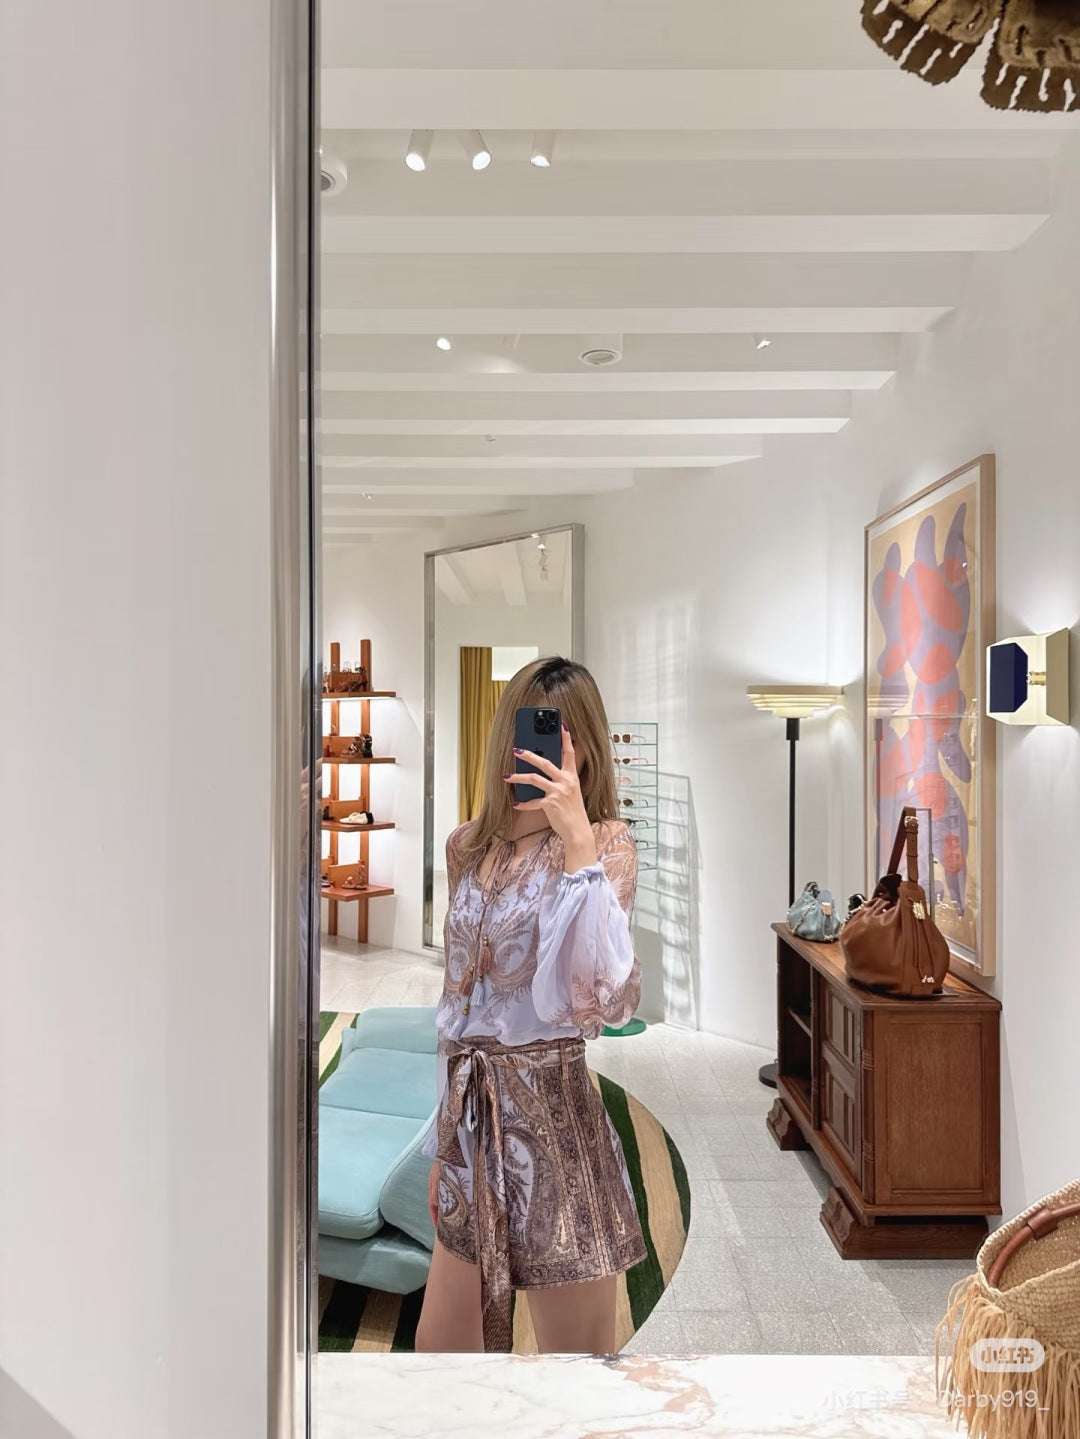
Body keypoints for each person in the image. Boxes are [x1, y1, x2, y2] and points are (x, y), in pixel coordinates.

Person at [414, 656, 648, 1354]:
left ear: (586, 749)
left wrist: (576, 839)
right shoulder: (466, 845)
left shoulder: (607, 846)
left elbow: (600, 999)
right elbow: (455, 1009)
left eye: (559, 739)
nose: (538, 754)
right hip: (472, 1128)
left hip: (556, 1131)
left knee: (575, 1375)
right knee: (439, 1362)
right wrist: (443, 1143)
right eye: (529, 733)